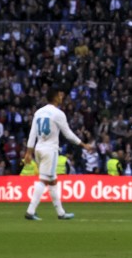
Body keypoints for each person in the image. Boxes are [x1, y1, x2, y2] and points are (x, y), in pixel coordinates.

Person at [22, 87, 92, 221]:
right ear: (54, 97)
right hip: (50, 150)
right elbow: (68, 134)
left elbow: (32, 134)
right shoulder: (58, 114)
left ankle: (61, 213)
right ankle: (30, 211)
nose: (62, 98)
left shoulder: (38, 112)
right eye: (60, 95)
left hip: (38, 149)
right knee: (43, 180)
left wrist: (28, 152)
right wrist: (83, 144)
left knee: (52, 181)